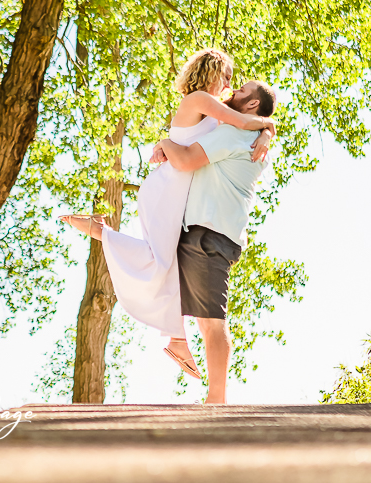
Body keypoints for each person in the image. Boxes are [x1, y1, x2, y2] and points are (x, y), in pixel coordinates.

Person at [60, 49, 273, 379]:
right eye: (228, 76)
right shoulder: (199, 99)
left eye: (236, 83)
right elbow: (244, 121)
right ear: (211, 72)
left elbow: (239, 127)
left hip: (182, 190)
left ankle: (176, 338)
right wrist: (268, 126)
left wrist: (266, 133)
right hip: (169, 187)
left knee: (168, 263)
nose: (231, 84)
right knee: (159, 261)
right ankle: (103, 234)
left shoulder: (216, 113)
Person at [152, 79, 276, 403]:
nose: (232, 92)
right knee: (200, 315)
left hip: (208, 234)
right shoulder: (248, 137)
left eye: (241, 92)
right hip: (213, 232)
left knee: (211, 321)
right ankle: (181, 347)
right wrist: (268, 127)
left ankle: (217, 400)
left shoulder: (235, 135)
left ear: (251, 106)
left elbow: (186, 160)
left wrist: (165, 142)